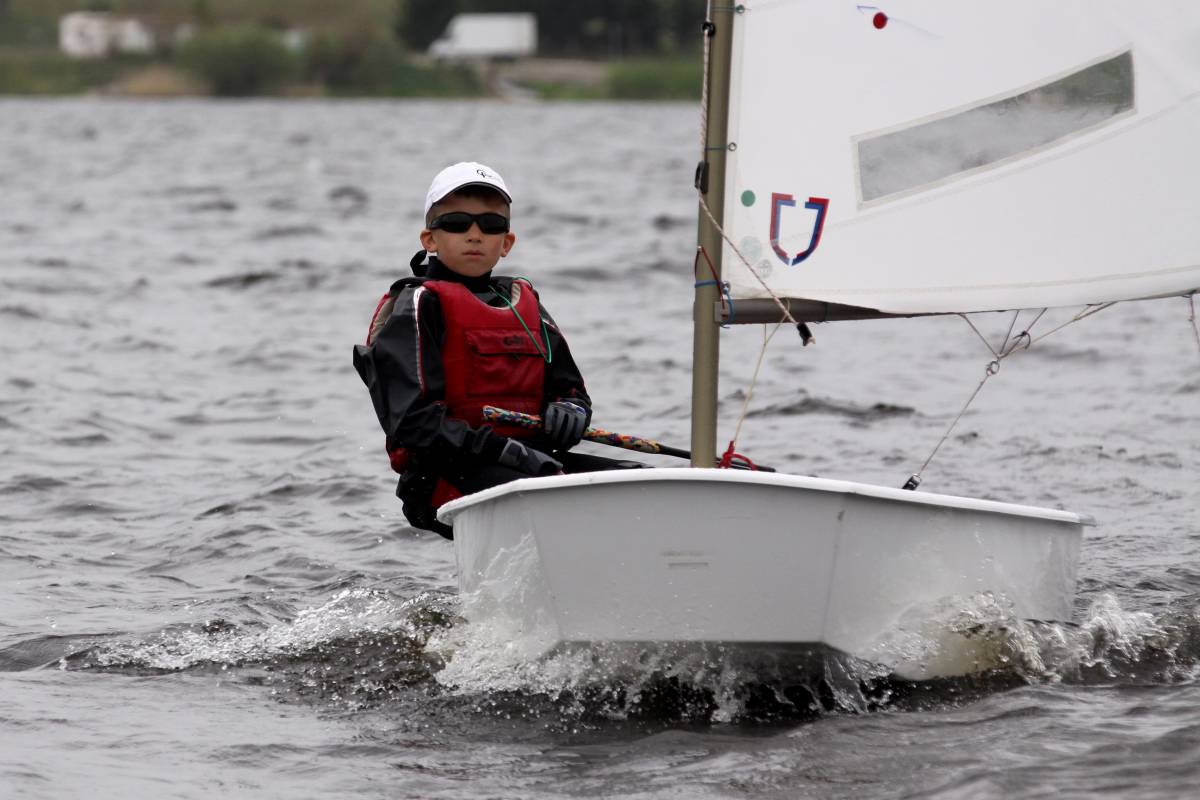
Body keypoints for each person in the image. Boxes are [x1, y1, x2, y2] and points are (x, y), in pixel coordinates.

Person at [353, 161, 642, 539]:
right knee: (548, 489)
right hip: (442, 473)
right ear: (429, 239)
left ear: (506, 243)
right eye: (457, 223)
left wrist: (571, 409)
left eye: (490, 225)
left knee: (639, 484)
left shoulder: (524, 303)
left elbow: (569, 389)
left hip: (534, 462)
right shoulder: (418, 306)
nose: (475, 235)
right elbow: (412, 423)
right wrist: (502, 450)